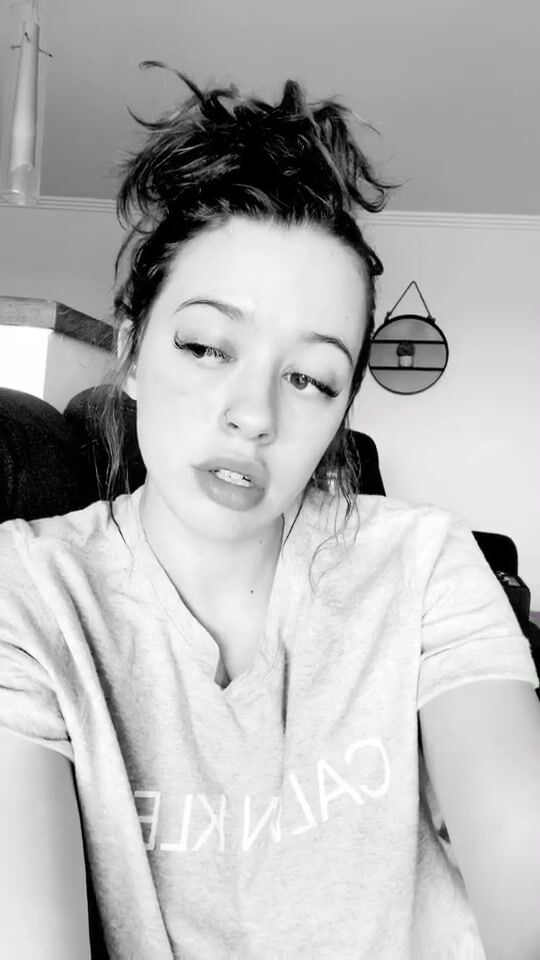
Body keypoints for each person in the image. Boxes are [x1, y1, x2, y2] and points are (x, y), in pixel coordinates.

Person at [1, 66, 540, 960]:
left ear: (342, 412)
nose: (253, 414)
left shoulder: (422, 564)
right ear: (131, 353)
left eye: (310, 378)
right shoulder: (30, 592)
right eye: (207, 346)